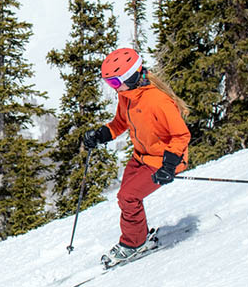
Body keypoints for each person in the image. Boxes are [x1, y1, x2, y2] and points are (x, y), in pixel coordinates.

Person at [82, 47, 191, 265]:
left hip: (163, 160)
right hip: (141, 156)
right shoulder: (127, 96)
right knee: (127, 197)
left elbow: (181, 135)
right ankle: (139, 237)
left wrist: (169, 166)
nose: (113, 88)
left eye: (114, 82)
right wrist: (101, 134)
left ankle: (134, 243)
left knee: (128, 197)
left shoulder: (158, 101)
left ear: (130, 77)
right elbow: (121, 122)